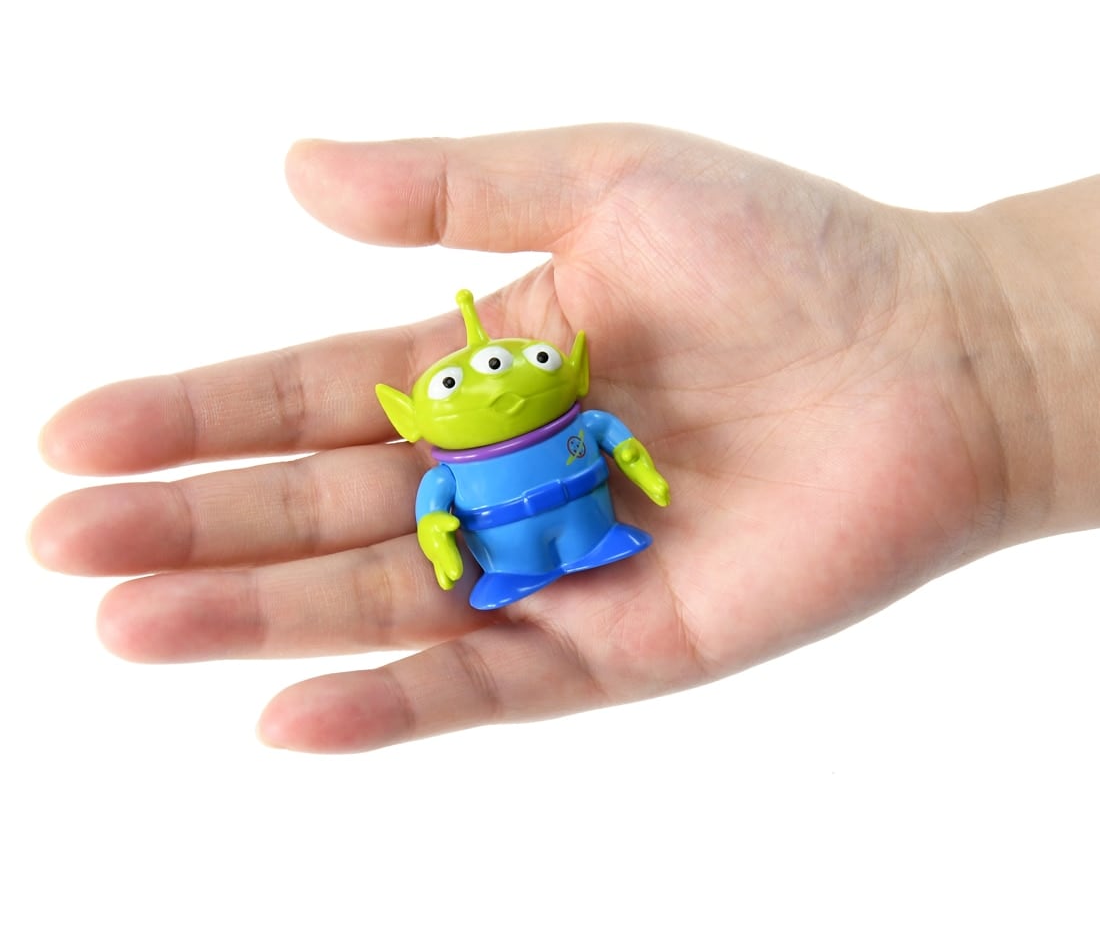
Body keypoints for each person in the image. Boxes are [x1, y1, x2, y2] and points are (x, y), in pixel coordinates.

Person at [29, 124, 1100, 753]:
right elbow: (434, 507)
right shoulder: (450, 465)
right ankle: (541, 561)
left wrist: (645, 476)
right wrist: (442, 544)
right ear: (416, 418)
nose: (492, 374)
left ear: (568, 371)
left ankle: (591, 543)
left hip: (591, 520)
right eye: (462, 379)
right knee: (511, 559)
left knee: (584, 532)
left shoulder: (582, 413)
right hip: (505, 548)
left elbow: (624, 445)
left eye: (512, 360)